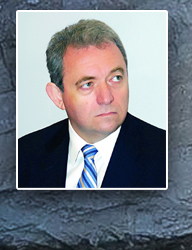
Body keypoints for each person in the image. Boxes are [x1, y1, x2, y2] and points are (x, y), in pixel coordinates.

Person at [18, 19, 166, 189]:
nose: (106, 98)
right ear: (58, 96)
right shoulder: (23, 155)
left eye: (116, 78)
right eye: (87, 84)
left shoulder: (167, 154)